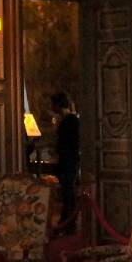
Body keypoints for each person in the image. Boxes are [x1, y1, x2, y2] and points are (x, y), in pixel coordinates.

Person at [49, 91, 81, 232]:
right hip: (67, 160)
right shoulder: (67, 120)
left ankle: (68, 222)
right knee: (66, 191)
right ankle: (67, 220)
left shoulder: (70, 120)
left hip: (69, 160)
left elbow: (69, 142)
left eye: (52, 104)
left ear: (58, 104)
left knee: (68, 192)